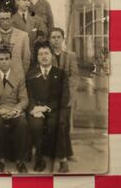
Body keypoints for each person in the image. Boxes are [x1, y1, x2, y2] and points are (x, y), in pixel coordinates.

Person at [26, 41, 70, 173]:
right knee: (36, 125)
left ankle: (63, 160)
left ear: (51, 55)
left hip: (54, 109)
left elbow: (64, 97)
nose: (44, 56)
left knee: (55, 124)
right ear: (37, 57)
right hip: (36, 109)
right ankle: (40, 159)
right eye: (41, 54)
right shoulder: (31, 74)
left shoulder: (61, 74)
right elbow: (28, 95)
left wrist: (46, 108)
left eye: (47, 53)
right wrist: (33, 109)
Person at [0, 43, 28, 173]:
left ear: (11, 60)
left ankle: (20, 161)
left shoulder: (18, 76)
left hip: (14, 111)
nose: (4, 62)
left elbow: (24, 99)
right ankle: (0, 160)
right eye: (1, 59)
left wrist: (15, 111)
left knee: (22, 123)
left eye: (7, 59)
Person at [49, 27, 79, 160]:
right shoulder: (46, 55)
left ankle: (67, 152)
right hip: (51, 96)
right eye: (53, 37)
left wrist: (70, 95)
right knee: (57, 123)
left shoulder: (70, 56)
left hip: (66, 96)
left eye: (58, 37)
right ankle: (62, 153)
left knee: (65, 123)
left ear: (63, 39)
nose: (56, 40)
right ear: (50, 40)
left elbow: (74, 77)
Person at [0, 7, 30, 74]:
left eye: (7, 19)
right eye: (2, 19)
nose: (5, 22)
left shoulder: (23, 36)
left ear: (12, 19)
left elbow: (26, 60)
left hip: (17, 77)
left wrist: (20, 76)